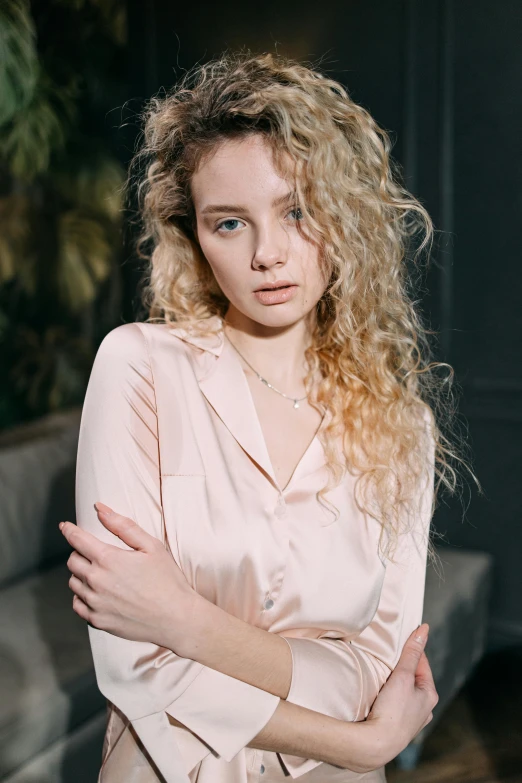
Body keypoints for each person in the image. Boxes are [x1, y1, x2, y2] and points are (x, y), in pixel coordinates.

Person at [59, 50, 465, 782]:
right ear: (194, 236)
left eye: (297, 211)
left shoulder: (403, 427)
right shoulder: (141, 368)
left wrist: (186, 621)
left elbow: (378, 668)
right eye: (229, 223)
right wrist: (362, 741)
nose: (269, 254)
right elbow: (135, 664)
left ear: (343, 216)